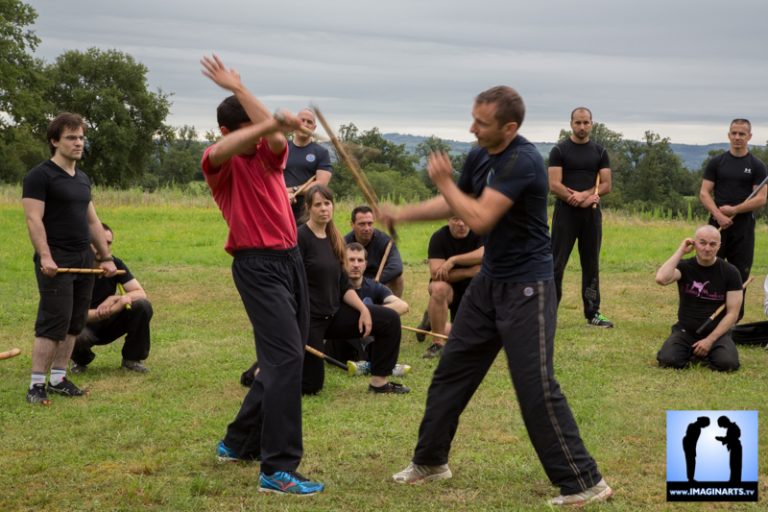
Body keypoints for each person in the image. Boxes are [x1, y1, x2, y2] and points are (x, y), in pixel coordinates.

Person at [383, 86, 611, 506]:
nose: (472, 128)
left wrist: (444, 181)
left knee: (534, 387)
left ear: (509, 127)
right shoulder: (480, 155)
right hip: (489, 284)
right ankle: (430, 461)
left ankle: (584, 481)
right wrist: (402, 213)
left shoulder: (523, 161)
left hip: (528, 287)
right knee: (452, 370)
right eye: (473, 118)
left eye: (481, 122)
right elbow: (458, 203)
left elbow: (480, 216)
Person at [199, 54, 324, 496]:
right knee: (286, 359)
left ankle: (238, 442)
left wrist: (241, 89)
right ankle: (277, 469)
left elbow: (271, 136)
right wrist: (269, 121)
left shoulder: (270, 158)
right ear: (227, 131)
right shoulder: (219, 162)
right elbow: (228, 147)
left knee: (285, 358)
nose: (261, 136)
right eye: (248, 129)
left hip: (290, 261)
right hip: (256, 265)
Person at [21, 112, 117, 405]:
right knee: (54, 321)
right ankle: (36, 385)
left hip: (83, 258)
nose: (78, 143)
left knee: (75, 321)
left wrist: (105, 257)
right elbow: (33, 219)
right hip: (56, 260)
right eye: (71, 137)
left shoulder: (82, 179)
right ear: (54, 141)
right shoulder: (39, 176)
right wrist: (45, 256)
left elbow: (92, 221)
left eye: (81, 137)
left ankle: (59, 379)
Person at [299, 185, 409, 395]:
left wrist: (363, 309)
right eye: (318, 204)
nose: (324, 208)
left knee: (388, 319)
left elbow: (343, 284)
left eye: (327, 203)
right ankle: (258, 372)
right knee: (311, 386)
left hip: (334, 315)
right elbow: (289, 282)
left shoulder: (335, 238)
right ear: (308, 208)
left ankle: (379, 382)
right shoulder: (300, 238)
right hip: (309, 321)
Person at [548, 107, 613, 328]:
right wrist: (573, 198)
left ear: (592, 124)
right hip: (565, 214)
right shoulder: (559, 150)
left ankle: (593, 313)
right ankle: (549, 313)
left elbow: (606, 184)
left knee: (591, 264)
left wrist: (585, 196)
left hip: (591, 215)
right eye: (578, 122)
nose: (582, 126)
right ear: (571, 124)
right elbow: (554, 184)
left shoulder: (600, 152)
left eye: (586, 122)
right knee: (556, 264)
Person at [655, 225, 742, 372]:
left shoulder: (731, 272)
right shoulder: (685, 267)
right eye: (702, 243)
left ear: (719, 246)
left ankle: (705, 352)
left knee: (727, 363)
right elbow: (661, 279)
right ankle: (695, 352)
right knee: (669, 360)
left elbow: (733, 314)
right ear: (694, 244)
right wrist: (681, 251)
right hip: (686, 331)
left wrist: (710, 340)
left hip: (717, 334)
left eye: (712, 244)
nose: (707, 248)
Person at [70, 223, 153, 374]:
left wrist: (114, 298)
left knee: (142, 306)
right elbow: (72, 315)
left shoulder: (114, 264)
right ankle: (80, 361)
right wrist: (113, 308)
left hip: (109, 323)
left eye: (108, 243)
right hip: (83, 325)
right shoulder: (73, 267)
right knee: (72, 332)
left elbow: (140, 292)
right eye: (98, 242)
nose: (104, 247)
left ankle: (132, 359)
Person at [699, 118, 767, 286]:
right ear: (728, 135)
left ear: (749, 136)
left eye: (742, 134)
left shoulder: (757, 166)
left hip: (743, 228)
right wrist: (718, 215)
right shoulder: (717, 162)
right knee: (710, 270)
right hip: (717, 225)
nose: (737, 137)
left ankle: (736, 304)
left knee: (739, 274)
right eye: (734, 133)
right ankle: (708, 302)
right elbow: (704, 193)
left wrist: (734, 209)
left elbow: (760, 198)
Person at [327, 242, 410, 376]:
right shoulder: (333, 286)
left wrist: (372, 313)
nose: (356, 265)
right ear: (342, 263)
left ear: (365, 265)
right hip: (339, 344)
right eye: (351, 260)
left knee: (373, 319)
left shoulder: (373, 286)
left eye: (360, 260)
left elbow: (403, 306)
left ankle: (368, 364)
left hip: (365, 338)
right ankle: (379, 364)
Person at [420, 216, 483, 358]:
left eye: (465, 217)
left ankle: (431, 320)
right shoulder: (439, 237)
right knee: (439, 288)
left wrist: (453, 260)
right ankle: (438, 343)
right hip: (449, 290)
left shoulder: (481, 233)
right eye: (455, 219)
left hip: (474, 293)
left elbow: (485, 253)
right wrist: (469, 272)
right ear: (447, 219)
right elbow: (436, 274)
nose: (461, 223)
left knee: (470, 337)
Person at [284, 108, 333, 222]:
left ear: (314, 128)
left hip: (306, 212)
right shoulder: (283, 148)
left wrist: (292, 190)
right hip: (281, 205)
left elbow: (321, 183)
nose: (305, 124)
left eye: (309, 122)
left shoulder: (321, 152)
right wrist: (282, 193)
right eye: (302, 120)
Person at [344, 205, 404, 297]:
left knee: (398, 279)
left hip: (378, 280)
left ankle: (391, 305)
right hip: (353, 281)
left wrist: (373, 284)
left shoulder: (385, 241)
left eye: (370, 223)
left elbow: (396, 267)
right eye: (362, 224)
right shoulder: (344, 243)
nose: (367, 228)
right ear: (352, 225)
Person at [683, 416, 710, 482]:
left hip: (690, 444)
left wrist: (693, 449)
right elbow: (691, 439)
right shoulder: (693, 426)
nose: (704, 427)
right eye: (705, 425)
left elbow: (695, 441)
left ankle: (690, 478)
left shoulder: (698, 429)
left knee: (691, 461)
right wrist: (693, 449)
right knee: (690, 461)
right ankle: (690, 479)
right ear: (702, 422)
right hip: (688, 443)